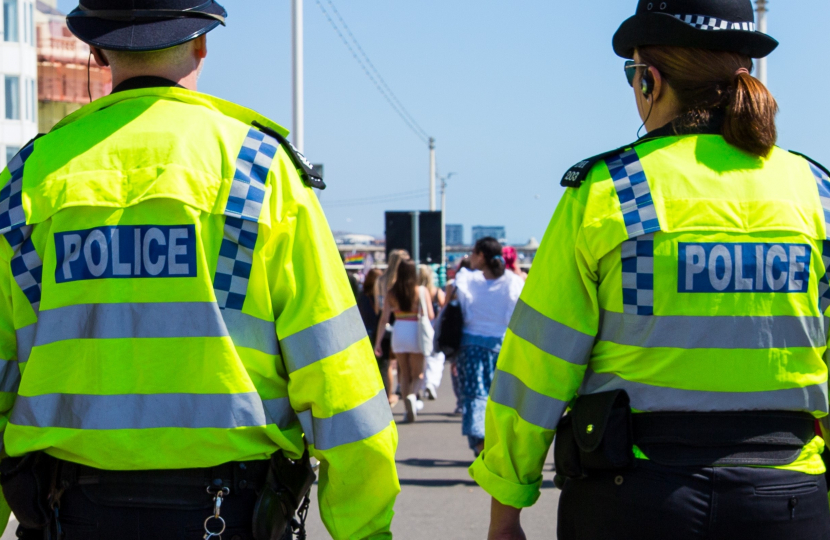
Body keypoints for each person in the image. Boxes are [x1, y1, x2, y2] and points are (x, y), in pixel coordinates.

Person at [0, 2, 400, 539]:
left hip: (64, 514)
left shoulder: (27, 180)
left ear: (95, 51)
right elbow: (338, 378)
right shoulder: (259, 171)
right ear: (202, 43)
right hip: (229, 516)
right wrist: (365, 529)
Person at [472, 1, 830, 539]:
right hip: (787, 502)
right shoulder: (814, 193)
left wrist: (506, 508)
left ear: (649, 80)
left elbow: (539, 361)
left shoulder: (611, 191)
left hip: (633, 499)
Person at [451, 238, 523, 456]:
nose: (470, 257)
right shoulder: (513, 281)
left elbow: (458, 307)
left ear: (481, 255)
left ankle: (481, 446)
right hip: (501, 347)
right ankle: (498, 444)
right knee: (501, 399)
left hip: (471, 347)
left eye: (473, 253)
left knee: (474, 397)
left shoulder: (467, 280)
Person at [375, 260, 434, 422]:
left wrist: (378, 342)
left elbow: (384, 318)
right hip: (416, 331)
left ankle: (407, 409)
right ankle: (412, 397)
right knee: (418, 374)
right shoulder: (421, 290)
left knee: (405, 372)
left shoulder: (392, 292)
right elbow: (431, 314)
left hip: (399, 330)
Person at [376, 249, 409, 405]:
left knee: (387, 364)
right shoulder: (406, 282)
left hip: (385, 324)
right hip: (403, 322)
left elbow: (378, 307)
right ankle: (405, 391)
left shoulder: (381, 280)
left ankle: (389, 394)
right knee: (404, 363)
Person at [359, 268, 389, 392]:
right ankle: (385, 395)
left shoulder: (362, 295)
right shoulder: (382, 295)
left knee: (368, 367)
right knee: (383, 367)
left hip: (365, 332)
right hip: (380, 333)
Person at [419, 264, 446, 400]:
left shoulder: (414, 291)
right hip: (433, 327)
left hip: (417, 327)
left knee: (421, 358)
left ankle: (420, 386)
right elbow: (442, 308)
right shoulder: (436, 291)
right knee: (436, 357)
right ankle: (431, 382)